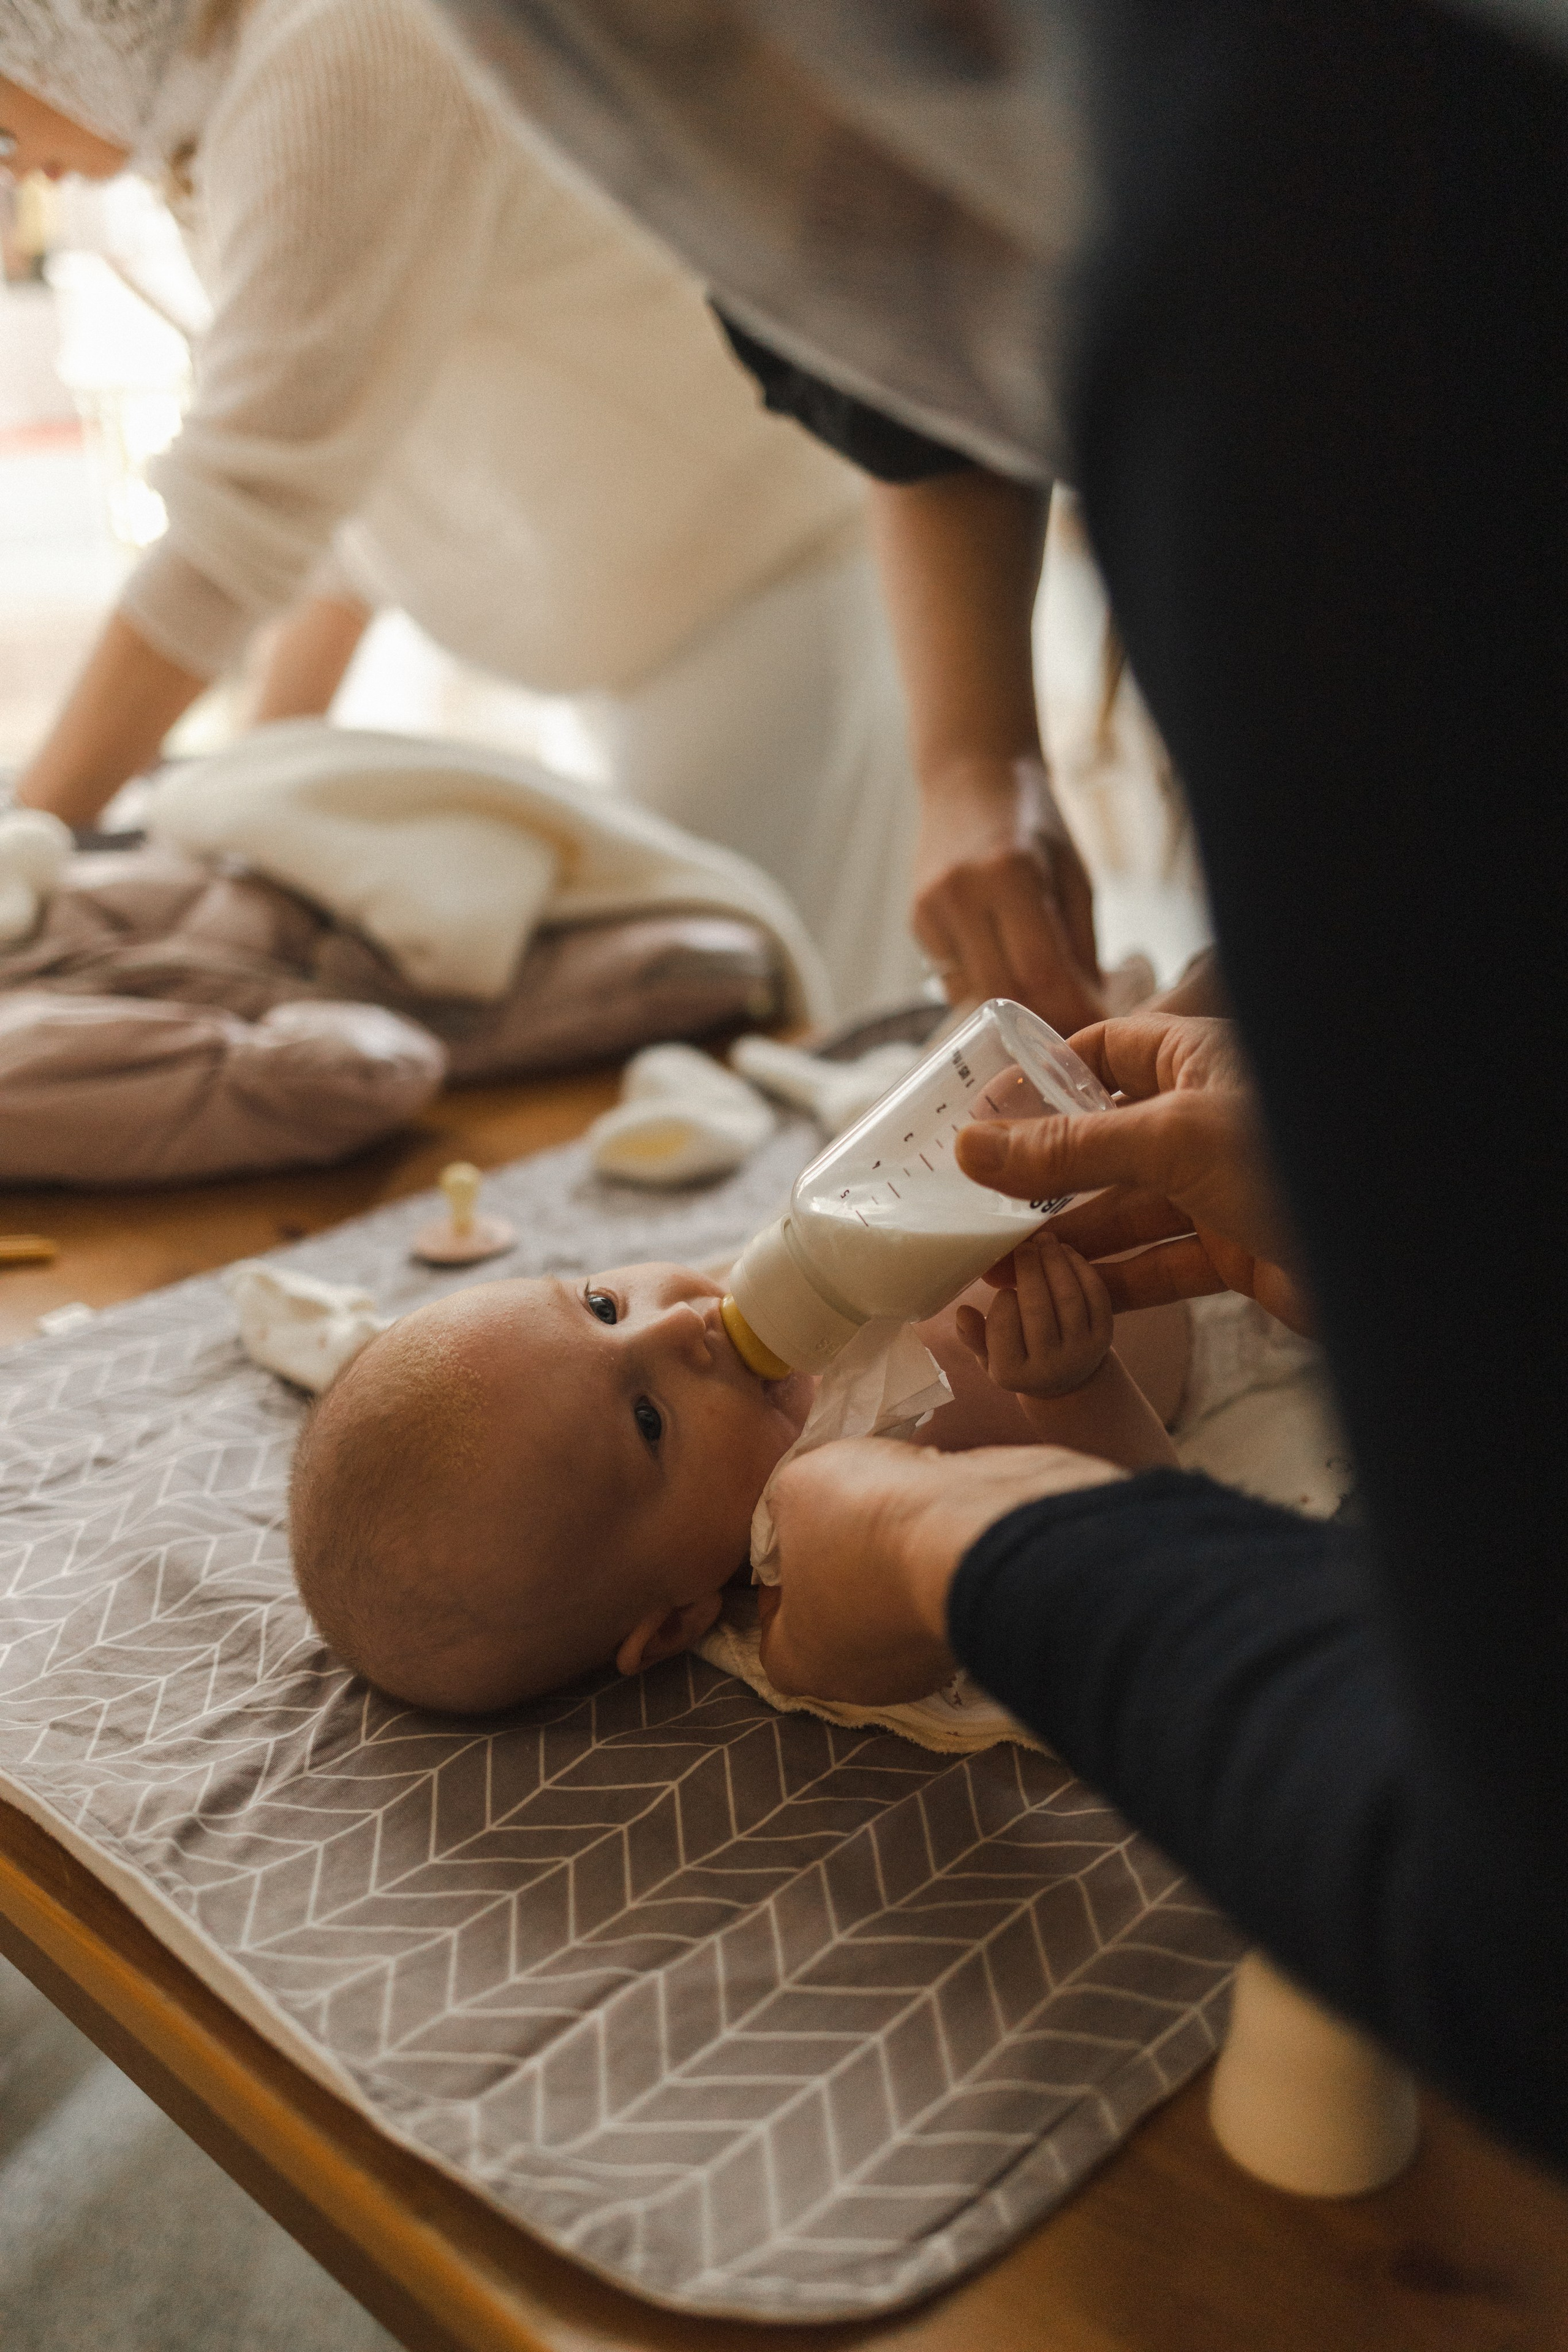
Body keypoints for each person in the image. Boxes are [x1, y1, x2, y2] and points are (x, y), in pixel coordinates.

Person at [2, 0, 936, 1016]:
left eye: (2, 133)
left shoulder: (343, 50)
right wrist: (243, 800)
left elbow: (241, 522)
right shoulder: (232, 100)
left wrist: (25, 848)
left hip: (762, 626)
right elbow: (346, 501)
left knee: (782, 1054)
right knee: (715, 1050)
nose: (18, 175)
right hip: (654, 651)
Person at [287, 1234, 1199, 1713]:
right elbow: (1146, 1539)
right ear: (676, 1620)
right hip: (1203, 1287)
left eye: (602, 1304)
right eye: (648, 1421)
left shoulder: (731, 1312)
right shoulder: (822, 1551)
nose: (678, 1325)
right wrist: (1076, 1386)